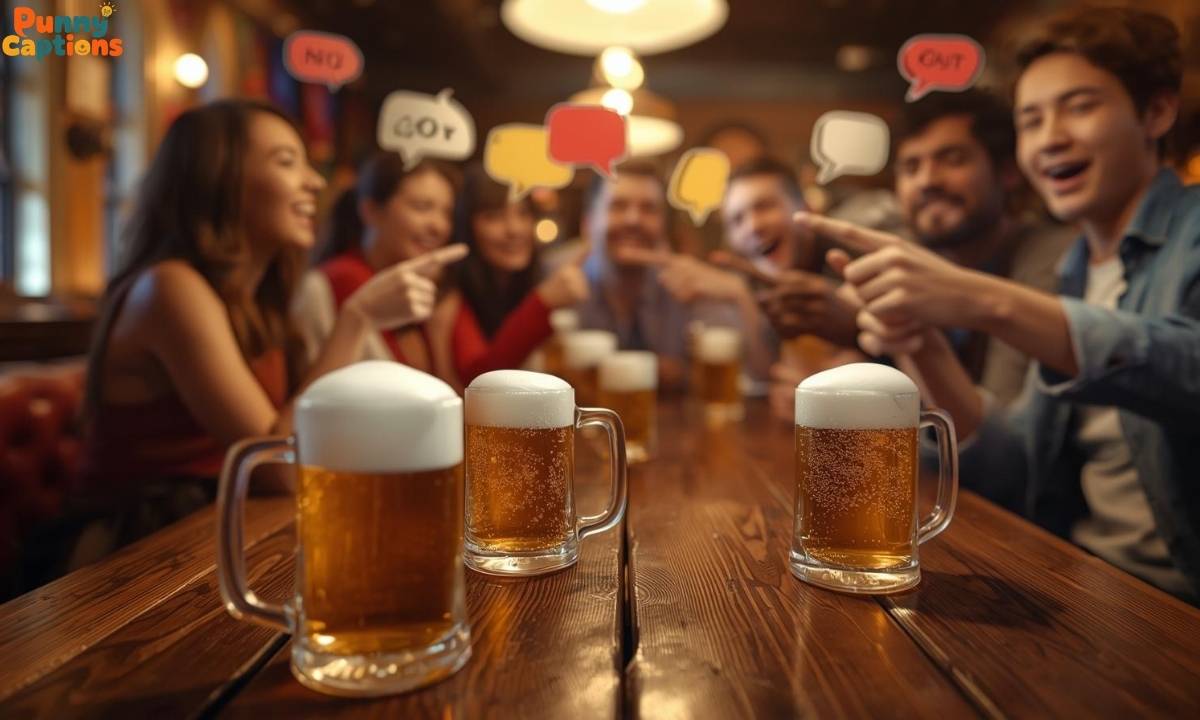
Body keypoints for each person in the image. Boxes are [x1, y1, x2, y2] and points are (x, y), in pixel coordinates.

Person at [813, 7, 1199, 601]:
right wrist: (919, 341)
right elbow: (1018, 473)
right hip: (1092, 586)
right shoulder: (1077, 273)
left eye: (1080, 106)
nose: (1051, 138)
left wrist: (980, 299)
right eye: (1032, 119)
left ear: (1156, 111)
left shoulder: (1189, 231)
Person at [74, 100, 462, 566]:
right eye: (286, 162)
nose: (314, 182)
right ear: (219, 179)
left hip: (218, 524)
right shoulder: (169, 288)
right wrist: (358, 317)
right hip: (132, 550)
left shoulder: (257, 299)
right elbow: (277, 465)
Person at [757, 90, 1073, 418]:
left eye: (952, 159)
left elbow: (1002, 436)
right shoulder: (902, 258)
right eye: (911, 166)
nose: (926, 180)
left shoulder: (1048, 259)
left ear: (1008, 172)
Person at [576, 161, 754, 390]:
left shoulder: (684, 284)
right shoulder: (555, 281)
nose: (634, 220)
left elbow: (745, 370)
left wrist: (737, 292)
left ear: (663, 225)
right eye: (618, 206)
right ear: (588, 223)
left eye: (648, 209)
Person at [293, 152, 463, 373]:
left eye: (447, 213)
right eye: (422, 207)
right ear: (371, 210)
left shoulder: (434, 295)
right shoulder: (326, 285)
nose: (438, 226)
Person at [430, 164, 588, 389]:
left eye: (523, 213)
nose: (514, 229)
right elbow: (480, 381)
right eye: (493, 217)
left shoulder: (523, 282)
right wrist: (541, 303)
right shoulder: (449, 294)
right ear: (466, 226)